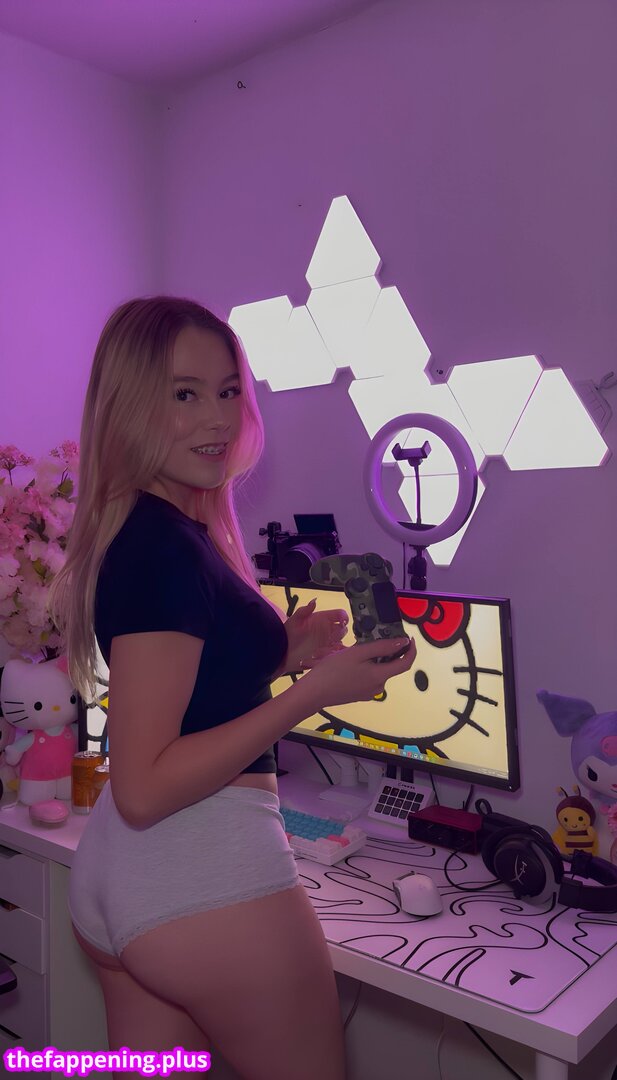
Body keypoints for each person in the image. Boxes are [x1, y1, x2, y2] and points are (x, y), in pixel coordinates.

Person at [49, 297, 416, 1080]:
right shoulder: (164, 550)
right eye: (184, 393)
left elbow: (183, 688)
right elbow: (145, 786)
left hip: (127, 883)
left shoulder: (154, 530)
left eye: (226, 391)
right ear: (130, 405)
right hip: (203, 877)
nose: (216, 417)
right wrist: (311, 692)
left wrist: (279, 655)